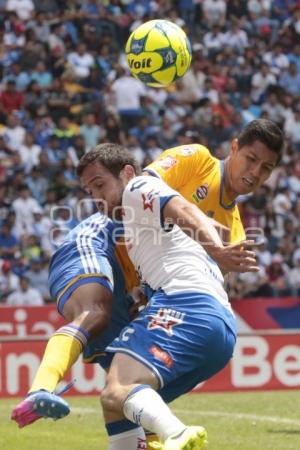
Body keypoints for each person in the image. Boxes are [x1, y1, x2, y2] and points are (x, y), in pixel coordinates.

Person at [76, 143, 243, 450]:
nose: (95, 197)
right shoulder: (138, 223)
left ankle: (176, 433)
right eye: (89, 191)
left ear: (126, 173)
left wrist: (217, 249)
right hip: (219, 332)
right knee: (117, 405)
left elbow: (184, 209)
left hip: (187, 307)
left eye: (100, 184)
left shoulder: (139, 187)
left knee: (118, 389)